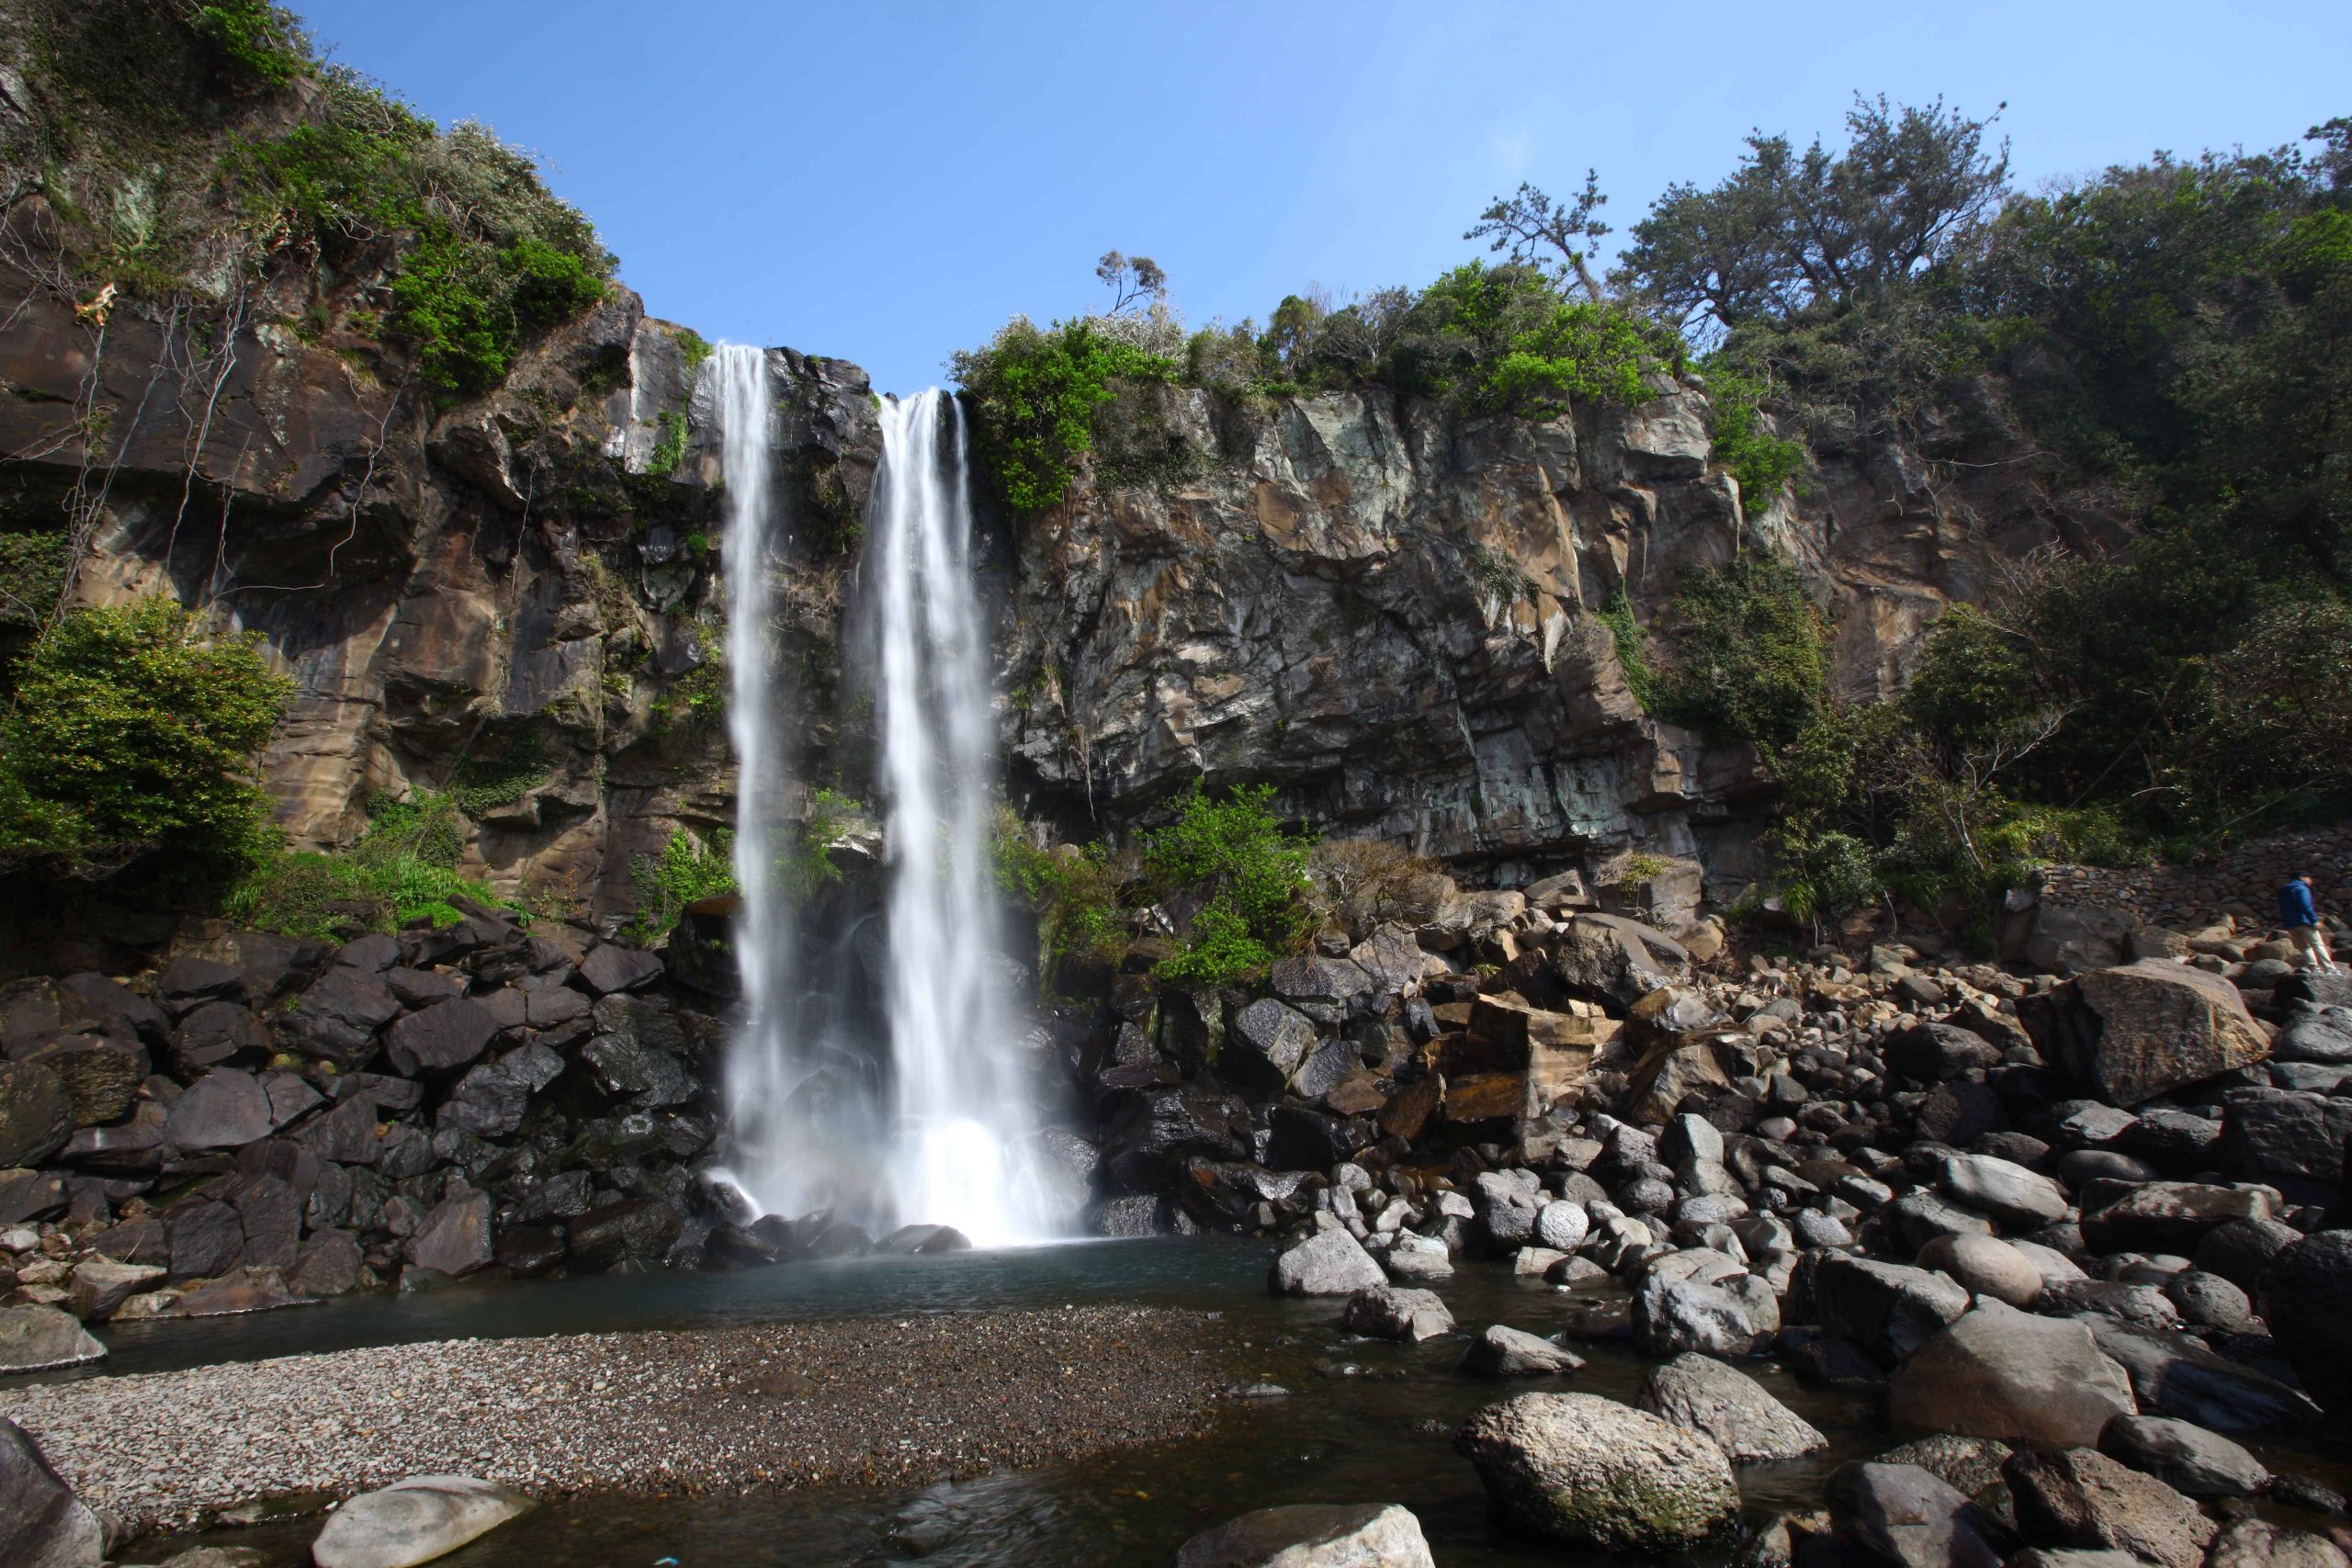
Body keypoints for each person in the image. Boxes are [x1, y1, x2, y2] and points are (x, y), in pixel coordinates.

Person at [2279, 874, 2341, 973]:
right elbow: (2306, 906)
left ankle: (2314, 968)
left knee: (2304, 947)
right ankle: (2330, 969)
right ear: (2302, 877)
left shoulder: (2284, 890)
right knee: (2317, 944)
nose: (2311, 880)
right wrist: (2314, 920)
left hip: (2290, 923)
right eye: (2309, 878)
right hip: (2304, 922)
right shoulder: (2301, 888)